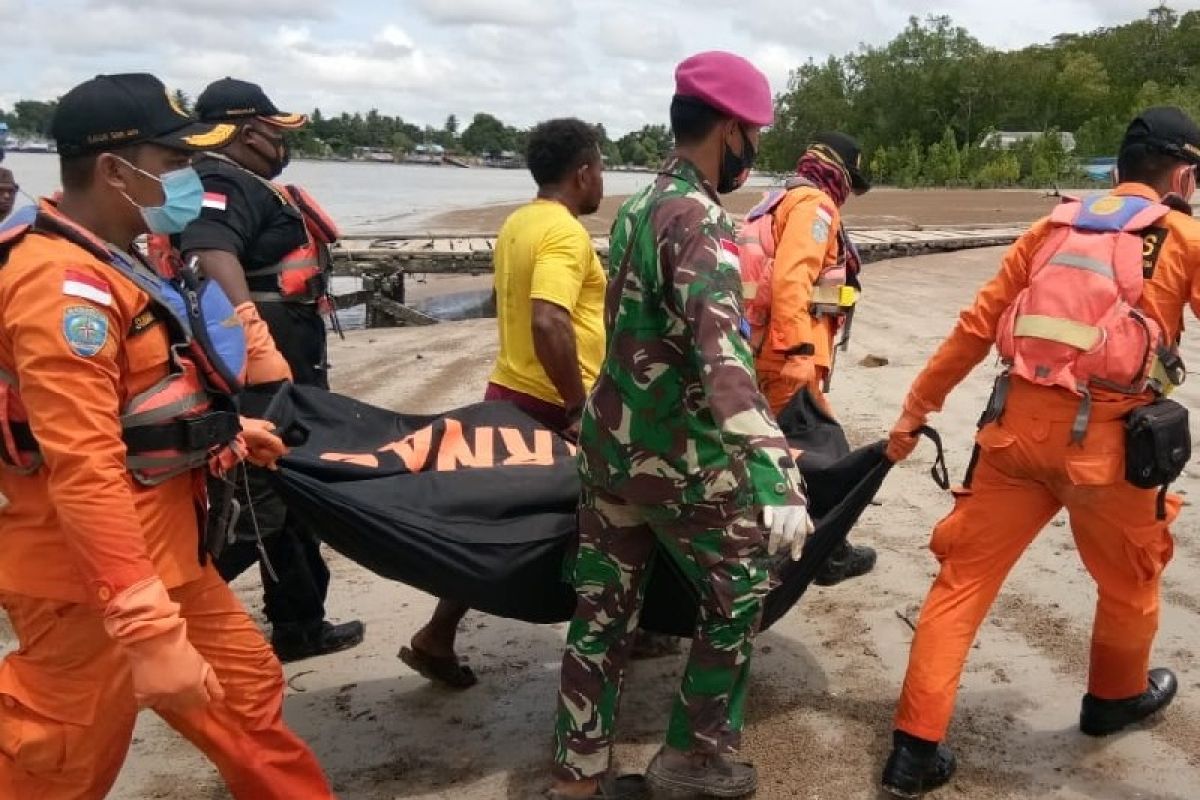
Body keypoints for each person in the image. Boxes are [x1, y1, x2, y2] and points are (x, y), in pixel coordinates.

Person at [0, 72, 333, 799]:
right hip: (90, 586)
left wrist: (227, 431)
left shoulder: (124, 260)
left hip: (171, 556)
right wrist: (146, 629)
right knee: (59, 762)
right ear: (115, 171)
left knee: (248, 699)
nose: (190, 177)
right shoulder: (62, 290)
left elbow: (138, 408)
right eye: (174, 162)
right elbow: (82, 467)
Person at [880, 106, 1200, 797]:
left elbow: (974, 328)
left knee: (959, 588)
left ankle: (914, 751)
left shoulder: (1049, 228)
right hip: (1112, 455)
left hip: (1012, 437)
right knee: (1130, 582)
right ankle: (1112, 699)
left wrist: (914, 413)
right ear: (1184, 175)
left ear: (1116, 171)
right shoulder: (1183, 236)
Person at [549, 51, 813, 800]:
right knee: (741, 586)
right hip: (676, 463)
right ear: (730, 130)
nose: (753, 151)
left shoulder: (638, 204)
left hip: (609, 453)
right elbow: (720, 352)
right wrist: (772, 466)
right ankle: (693, 762)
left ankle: (577, 775)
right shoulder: (700, 221)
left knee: (601, 615)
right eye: (753, 134)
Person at [402, 117, 606, 689]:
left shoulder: (519, 222)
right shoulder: (565, 234)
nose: (602, 183)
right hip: (550, 402)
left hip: (508, 389)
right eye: (601, 170)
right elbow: (548, 317)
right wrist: (576, 406)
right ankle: (617, 636)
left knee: (500, 518)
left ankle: (437, 636)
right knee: (600, 520)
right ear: (584, 172)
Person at [175, 77, 364, 663]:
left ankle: (301, 623)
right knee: (258, 506)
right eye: (277, 132)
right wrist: (252, 340)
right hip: (259, 383)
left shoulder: (249, 183)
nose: (284, 143)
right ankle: (171, 618)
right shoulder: (220, 182)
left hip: (288, 375)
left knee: (292, 493)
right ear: (250, 132)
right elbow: (207, 248)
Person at [742, 132, 877, 587]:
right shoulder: (815, 207)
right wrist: (798, 350)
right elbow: (792, 279)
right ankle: (827, 555)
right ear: (840, 172)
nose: (849, 196)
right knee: (826, 455)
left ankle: (791, 543)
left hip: (759, 350)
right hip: (786, 358)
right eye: (852, 184)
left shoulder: (776, 198)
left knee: (771, 452)